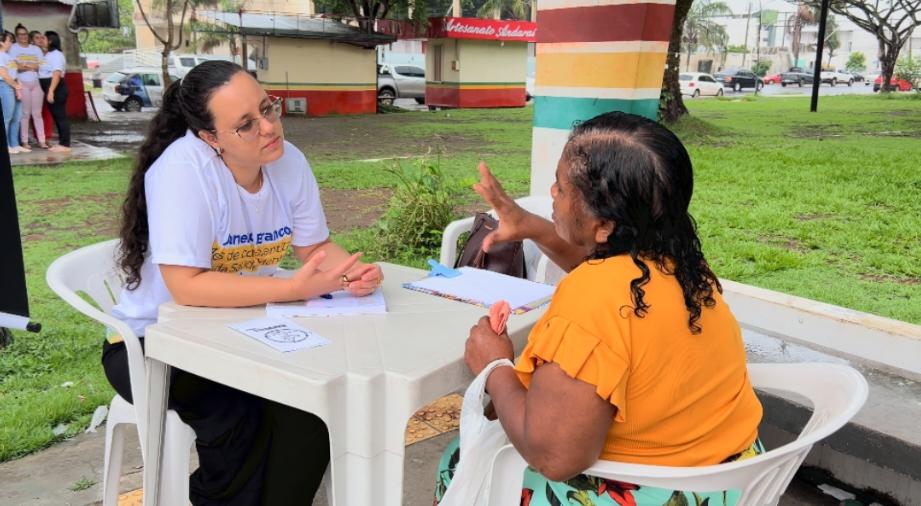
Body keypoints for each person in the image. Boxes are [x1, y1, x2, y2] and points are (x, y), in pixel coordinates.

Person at [435, 112, 764, 505]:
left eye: (561, 186)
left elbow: (555, 457)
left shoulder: (590, 300)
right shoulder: (684, 267)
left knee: (456, 461)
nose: (552, 191)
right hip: (735, 479)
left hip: (653, 493)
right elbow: (612, 289)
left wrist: (494, 367)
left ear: (604, 224)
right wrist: (531, 225)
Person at [109, 60, 383, 504]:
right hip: (152, 342)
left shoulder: (288, 161)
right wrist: (293, 289)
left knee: (314, 407)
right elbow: (188, 288)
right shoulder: (184, 171)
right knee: (238, 418)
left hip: (241, 330)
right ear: (210, 138)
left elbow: (316, 249)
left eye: (268, 108)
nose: (269, 127)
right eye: (246, 125)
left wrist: (352, 271)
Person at [8, 25, 46, 149]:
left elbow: (42, 65)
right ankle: (24, 141)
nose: (23, 36)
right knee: (25, 114)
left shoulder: (35, 49)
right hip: (22, 83)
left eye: (25, 34)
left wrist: (24, 66)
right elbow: (14, 66)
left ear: (27, 35)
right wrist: (31, 66)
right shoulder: (13, 48)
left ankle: (42, 140)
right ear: (16, 36)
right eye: (20, 34)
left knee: (37, 113)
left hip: (36, 83)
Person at [37, 31, 70, 152]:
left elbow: (57, 73)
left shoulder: (56, 55)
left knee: (60, 117)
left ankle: (65, 144)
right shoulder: (48, 54)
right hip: (49, 88)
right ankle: (62, 142)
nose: (41, 40)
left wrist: (51, 91)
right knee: (57, 117)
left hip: (56, 89)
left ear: (50, 41)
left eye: (44, 38)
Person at [0, 31, 27, 154]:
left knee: (17, 117)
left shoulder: (8, 56)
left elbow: (13, 73)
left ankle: (14, 144)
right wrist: (15, 85)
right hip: (5, 86)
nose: (11, 43)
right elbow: (4, 75)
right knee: (7, 117)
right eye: (9, 40)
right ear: (1, 42)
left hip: (14, 86)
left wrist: (18, 83)